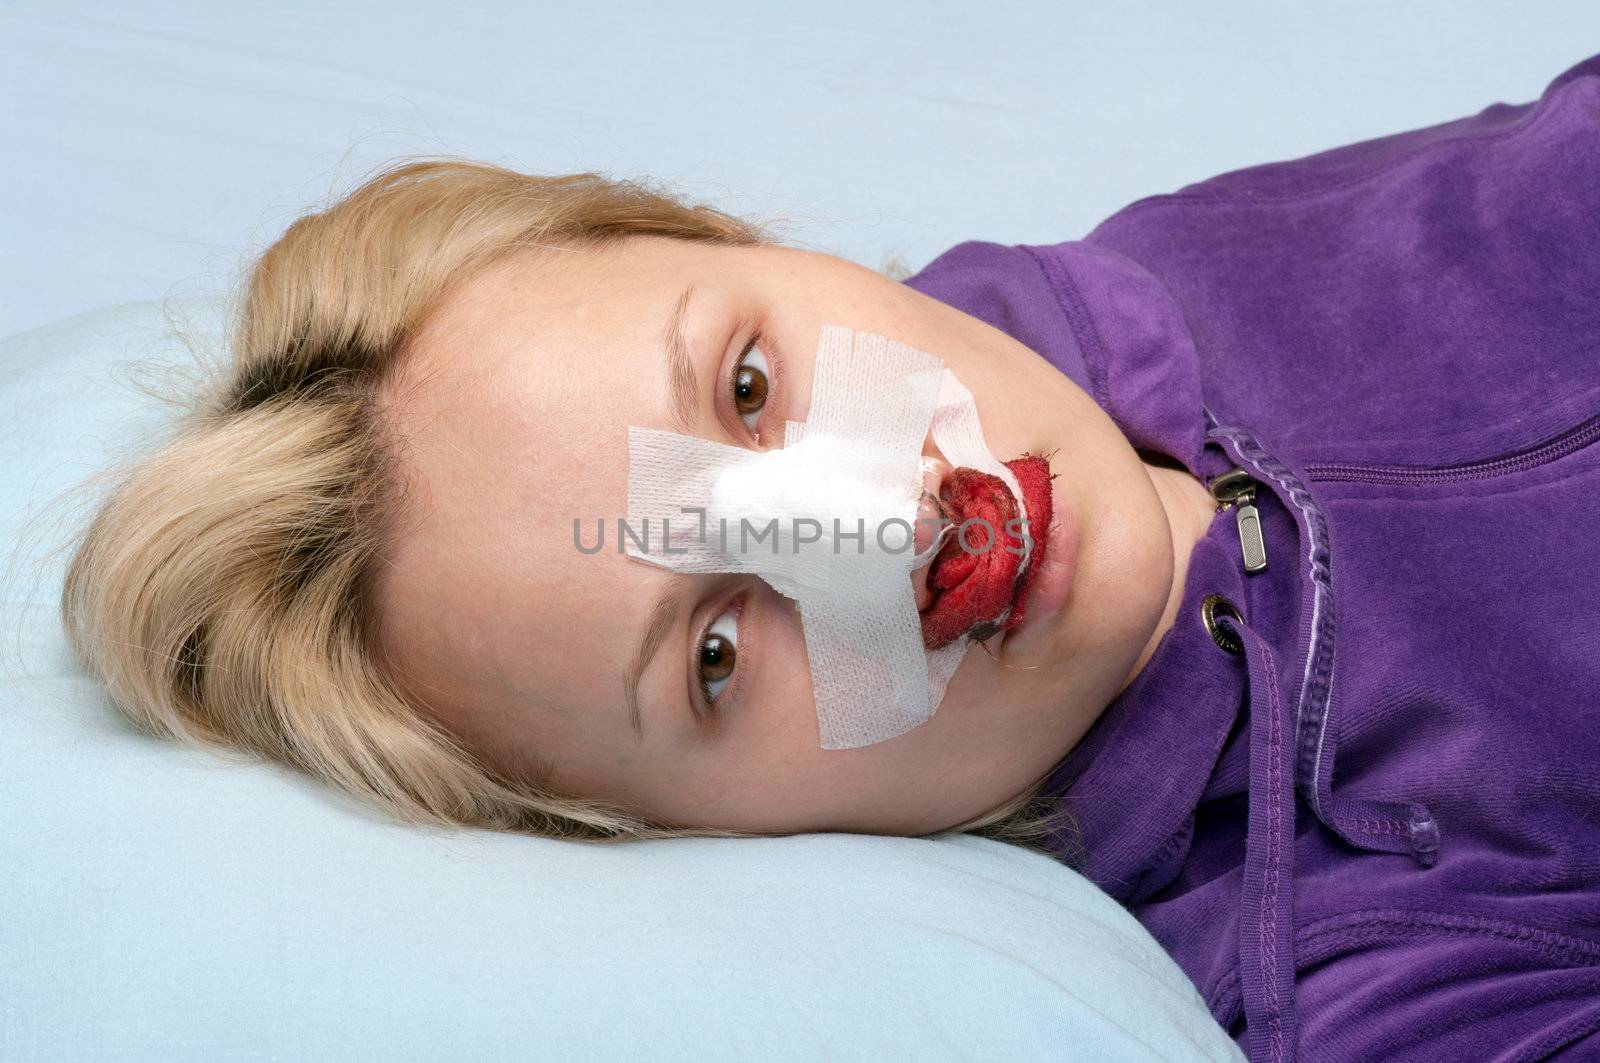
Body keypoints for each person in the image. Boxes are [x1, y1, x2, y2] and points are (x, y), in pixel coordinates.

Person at [60, 52, 1600, 1061]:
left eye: (745, 384)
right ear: (697, 833)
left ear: (747, 239)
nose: (887, 526)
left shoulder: (1204, 262)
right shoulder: (1375, 984)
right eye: (714, 653)